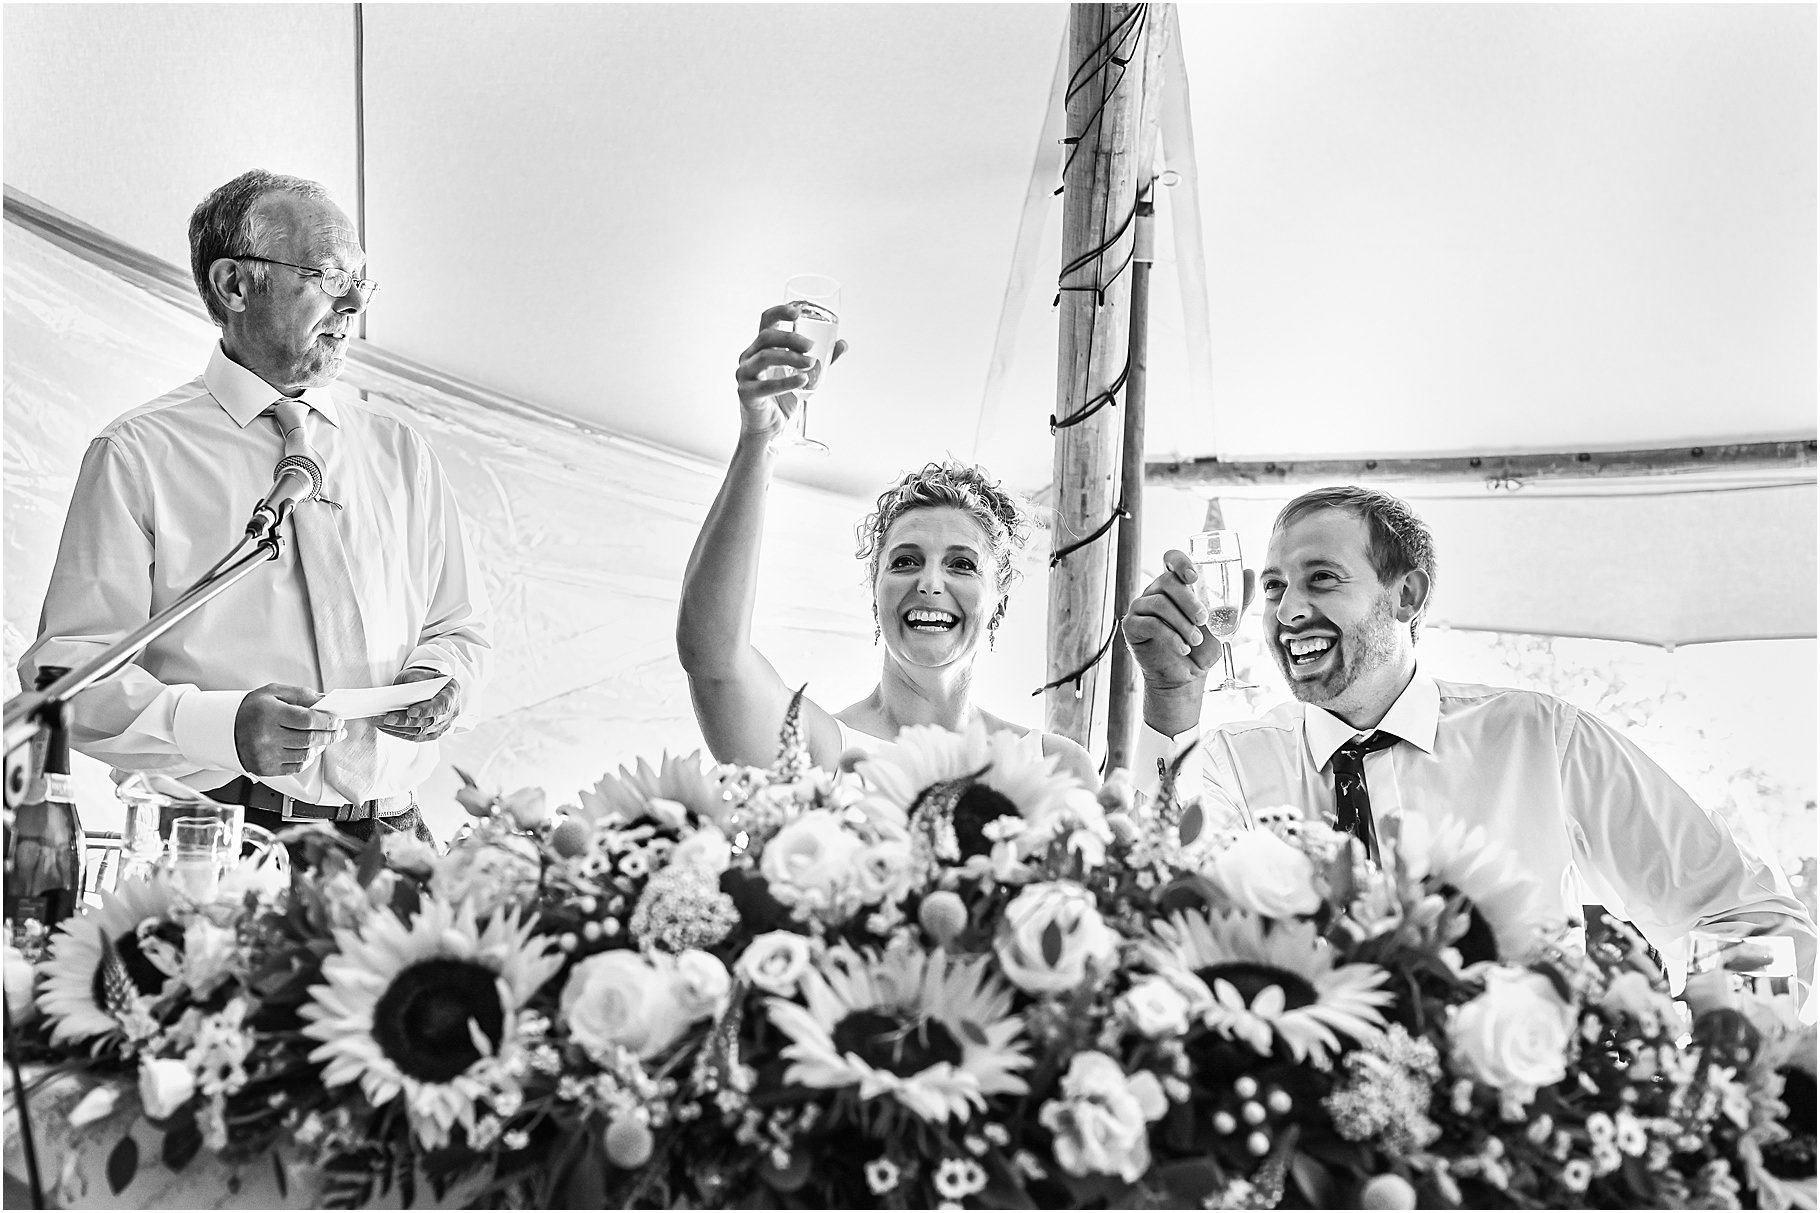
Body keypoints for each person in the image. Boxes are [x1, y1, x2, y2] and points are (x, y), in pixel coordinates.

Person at [1121, 484, 1815, 992]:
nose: (1288, 611)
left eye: (1321, 579)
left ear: (1408, 595)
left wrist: (1696, 1044)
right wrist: (1173, 699)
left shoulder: (1541, 741)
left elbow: (1754, 918)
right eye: (1271, 589)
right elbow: (1137, 908)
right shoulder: (1230, 761)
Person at [18, 170, 492, 847]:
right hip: (228, 847)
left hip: (400, 842)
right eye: (327, 275)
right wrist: (223, 727)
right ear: (235, 285)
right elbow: (68, 675)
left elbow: (463, 627)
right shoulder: (138, 453)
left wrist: (443, 679)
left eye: (362, 279)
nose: (355, 302)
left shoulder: (400, 451)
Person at [676, 303, 1098, 788]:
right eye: (904, 561)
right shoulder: (819, 751)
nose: (929, 582)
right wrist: (759, 442)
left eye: (961, 564)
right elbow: (713, 659)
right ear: (875, 588)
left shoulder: (1056, 766)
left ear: (998, 595)